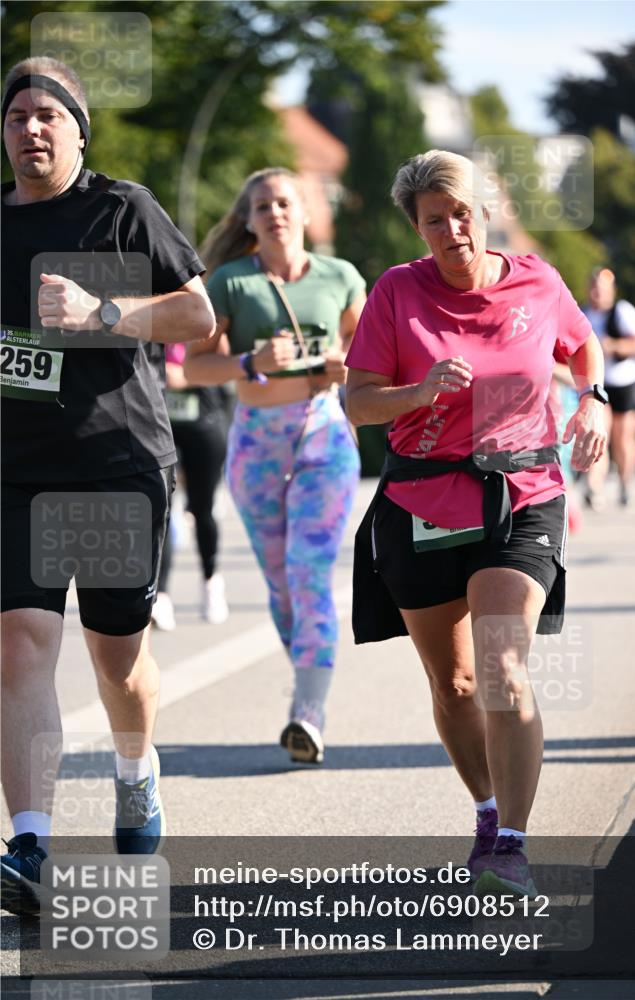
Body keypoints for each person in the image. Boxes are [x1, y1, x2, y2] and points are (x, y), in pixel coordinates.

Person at [345, 150, 607, 897]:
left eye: (460, 213)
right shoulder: (397, 292)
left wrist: (592, 399)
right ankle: (487, 813)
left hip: (521, 492)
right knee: (454, 683)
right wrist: (418, 391)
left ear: (481, 212)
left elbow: (580, 343)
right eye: (434, 220)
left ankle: (513, 849)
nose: (451, 230)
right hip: (421, 504)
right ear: (417, 228)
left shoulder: (535, 279)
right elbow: (358, 402)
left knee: (499, 663)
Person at [0, 58, 215, 914]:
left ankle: (136, 769)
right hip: (16, 469)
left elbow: (197, 316)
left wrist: (104, 312)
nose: (31, 129)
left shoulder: (119, 209)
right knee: (19, 645)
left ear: (79, 131)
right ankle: (30, 845)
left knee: (117, 659)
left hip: (114, 463)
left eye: (48, 115)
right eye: (15, 117)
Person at [184, 167, 366, 764]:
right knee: (281, 583)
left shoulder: (341, 277)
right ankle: (307, 681)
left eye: (285, 202)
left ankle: (308, 711)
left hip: (323, 437)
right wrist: (250, 359)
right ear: (248, 220)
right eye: (262, 206)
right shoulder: (231, 282)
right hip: (257, 444)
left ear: (306, 212)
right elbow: (194, 367)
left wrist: (346, 365)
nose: (275, 213)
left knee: (309, 571)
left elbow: (370, 357)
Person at [151, 341, 233, 630]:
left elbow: (227, 364)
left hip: (204, 423)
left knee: (202, 509)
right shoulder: (150, 315)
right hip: (163, 427)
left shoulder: (201, 317)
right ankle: (161, 595)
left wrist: (185, 375)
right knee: (163, 511)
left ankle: (211, 581)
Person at [582, 267, 635, 509]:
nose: (597, 293)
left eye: (602, 289)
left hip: (623, 382)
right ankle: (595, 487)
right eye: (593, 287)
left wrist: (615, 346)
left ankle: (625, 482)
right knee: (601, 433)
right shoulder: (583, 313)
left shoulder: (622, 311)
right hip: (597, 384)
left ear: (611, 290)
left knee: (623, 437)